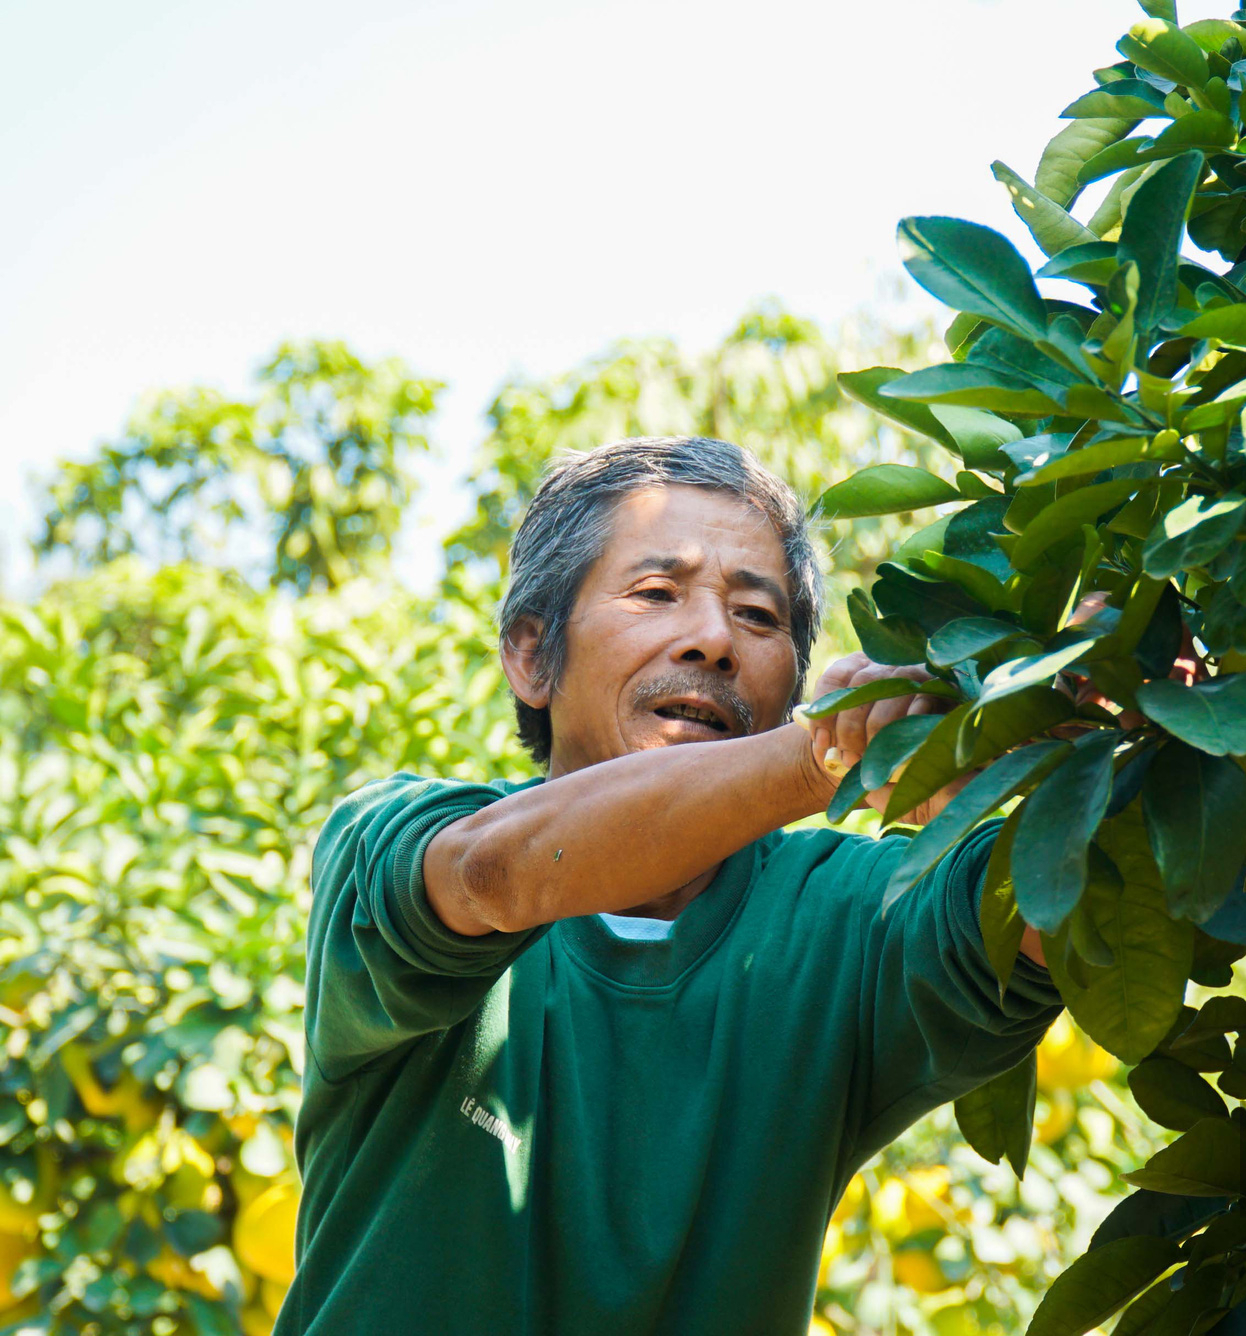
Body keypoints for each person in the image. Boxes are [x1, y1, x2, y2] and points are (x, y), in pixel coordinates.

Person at [285, 435, 1064, 1335]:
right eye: (658, 594)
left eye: (760, 618)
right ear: (532, 656)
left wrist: (1082, 717)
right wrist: (828, 753)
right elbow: (490, 877)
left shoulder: (848, 912)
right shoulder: (396, 837)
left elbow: (1052, 912)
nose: (715, 640)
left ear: (790, 684)